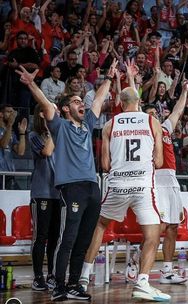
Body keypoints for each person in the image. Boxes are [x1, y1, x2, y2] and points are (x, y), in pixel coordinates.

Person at [16, 60, 118, 301]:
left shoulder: (88, 123)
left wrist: (110, 79)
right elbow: (45, 104)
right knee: (67, 238)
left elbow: (97, 100)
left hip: (93, 187)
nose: (80, 104)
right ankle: (59, 285)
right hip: (71, 189)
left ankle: (74, 284)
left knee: (83, 239)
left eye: (80, 101)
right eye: (75, 102)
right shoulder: (59, 126)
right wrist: (32, 85)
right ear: (64, 109)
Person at [80, 82, 168, 301]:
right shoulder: (152, 121)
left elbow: (105, 165)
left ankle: (83, 277)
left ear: (120, 103)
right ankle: (143, 282)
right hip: (143, 186)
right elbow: (158, 161)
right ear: (138, 101)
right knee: (152, 235)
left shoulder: (109, 125)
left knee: (100, 224)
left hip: (118, 184)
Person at [144, 76, 188, 285]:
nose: (154, 116)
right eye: (149, 114)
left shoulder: (164, 128)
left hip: (171, 180)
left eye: (156, 113)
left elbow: (178, 111)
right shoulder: (142, 134)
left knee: (173, 226)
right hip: (155, 181)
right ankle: (136, 263)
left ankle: (167, 271)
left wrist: (185, 91)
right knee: (160, 226)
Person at [29, 104, 61, 291]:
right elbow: (47, 152)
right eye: (51, 110)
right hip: (42, 192)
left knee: (55, 237)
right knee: (40, 236)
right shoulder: (34, 135)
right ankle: (38, 277)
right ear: (41, 114)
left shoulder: (59, 135)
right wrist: (51, 130)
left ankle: (51, 274)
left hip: (58, 193)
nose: (54, 113)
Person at [0, 104, 27, 189]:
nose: (12, 114)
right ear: (1, 114)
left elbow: (20, 152)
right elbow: (3, 144)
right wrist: (10, 124)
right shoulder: (8, 128)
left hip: (9, 173)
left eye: (13, 112)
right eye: (9, 112)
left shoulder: (11, 132)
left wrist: (22, 133)